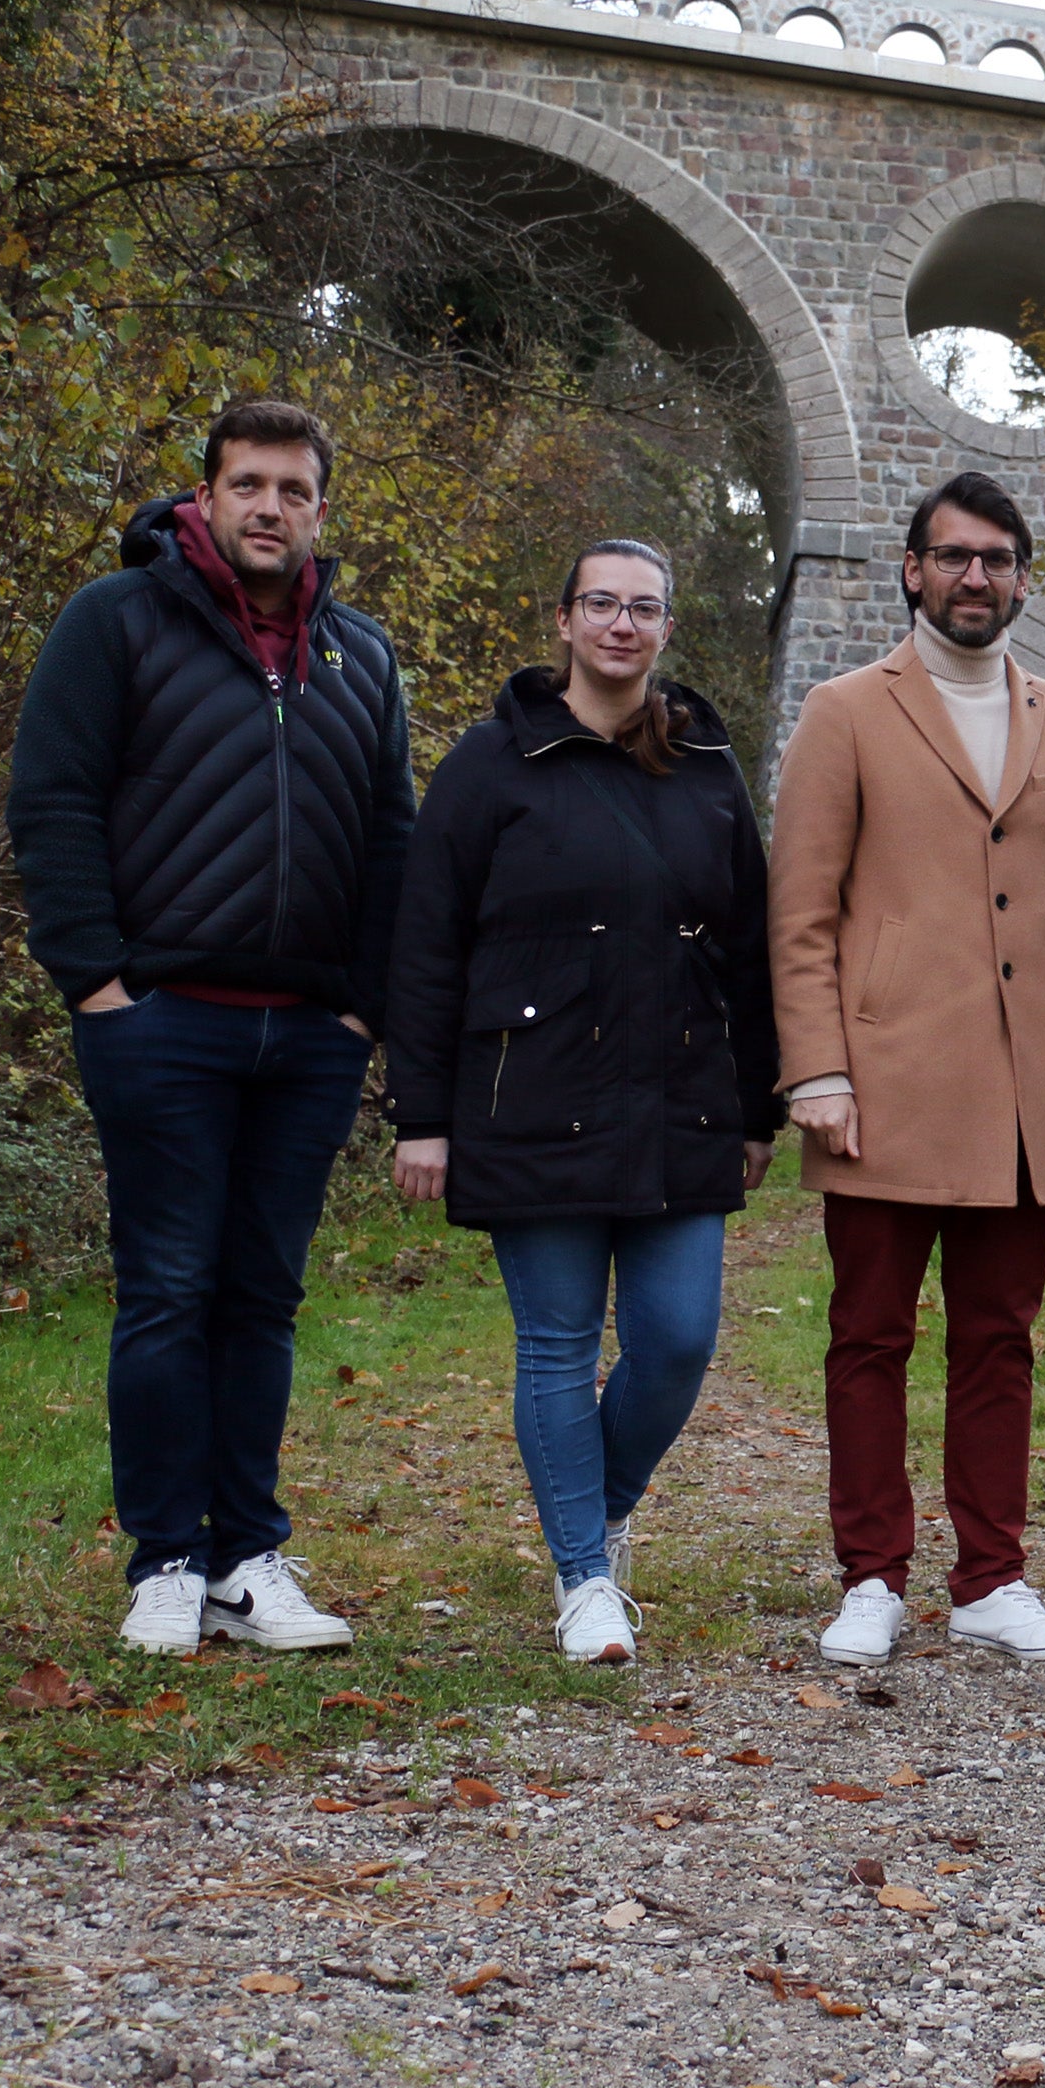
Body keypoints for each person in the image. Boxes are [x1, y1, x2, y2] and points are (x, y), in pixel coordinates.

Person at [6, 398, 410, 1658]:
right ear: (207, 495)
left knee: (263, 1298)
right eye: (248, 485)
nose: (269, 508)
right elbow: (53, 800)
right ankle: (166, 1560)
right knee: (170, 1290)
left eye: (293, 490)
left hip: (308, 1038)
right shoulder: (117, 621)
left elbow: (393, 840)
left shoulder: (361, 655)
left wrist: (360, 1006)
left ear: (320, 511)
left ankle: (247, 1556)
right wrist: (97, 989)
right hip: (162, 1018)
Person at [381, 540, 781, 1665]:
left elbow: (749, 947)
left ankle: (590, 1510)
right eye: (600, 604)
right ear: (562, 621)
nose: (621, 624)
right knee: (556, 1347)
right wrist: (422, 1115)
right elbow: (425, 946)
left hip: (681, 1102)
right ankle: (586, 1579)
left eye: (643, 608)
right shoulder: (490, 764)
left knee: (678, 1340)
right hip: (530, 1101)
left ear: (665, 627)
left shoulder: (703, 762)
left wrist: (758, 1108)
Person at [769, 471, 1045, 1667]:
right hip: (882, 1083)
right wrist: (815, 1067)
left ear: (1021, 576)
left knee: (1000, 1339)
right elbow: (800, 911)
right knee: (869, 1336)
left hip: (1026, 1096)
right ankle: (870, 1576)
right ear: (915, 571)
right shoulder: (847, 711)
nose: (978, 576)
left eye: (999, 559)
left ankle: (991, 1577)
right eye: (955, 557)